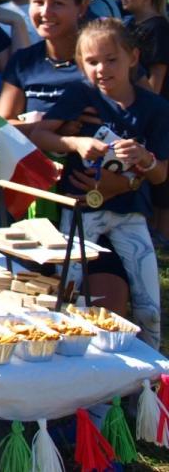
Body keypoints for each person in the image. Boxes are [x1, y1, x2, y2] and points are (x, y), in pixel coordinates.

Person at [30, 19, 169, 348]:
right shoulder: (81, 94)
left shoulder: (155, 107)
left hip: (129, 213)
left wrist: (144, 158)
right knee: (67, 291)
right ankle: (62, 355)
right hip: (80, 211)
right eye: (91, 61)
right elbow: (40, 134)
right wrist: (75, 142)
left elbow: (161, 175)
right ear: (80, 63)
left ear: (133, 57)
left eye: (111, 59)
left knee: (149, 304)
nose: (102, 69)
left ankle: (152, 371)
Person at [0, 0, 92, 130]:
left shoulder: (103, 58)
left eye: (58, 3)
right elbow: (1, 125)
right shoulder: (23, 62)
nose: (45, 12)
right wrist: (55, 128)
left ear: (81, 8)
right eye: (38, 2)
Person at [119, 0, 169, 244]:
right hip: (135, 104)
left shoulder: (158, 28)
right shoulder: (129, 24)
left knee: (159, 177)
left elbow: (156, 79)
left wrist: (142, 107)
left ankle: (161, 236)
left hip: (153, 109)